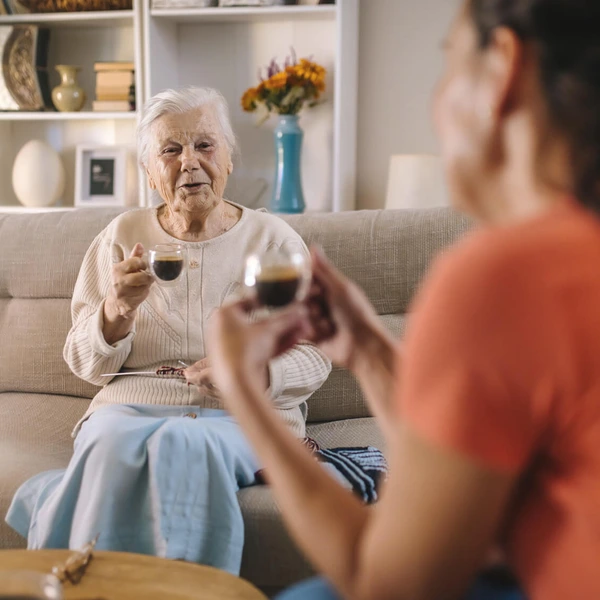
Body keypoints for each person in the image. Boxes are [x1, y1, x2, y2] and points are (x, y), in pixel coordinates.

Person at [206, 0, 600, 598]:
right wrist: (368, 350)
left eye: (448, 66)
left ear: (502, 69)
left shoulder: (503, 277)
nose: (437, 104)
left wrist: (243, 394)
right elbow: (466, 467)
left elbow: (385, 584)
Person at [5, 86, 331, 575]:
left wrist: (249, 373)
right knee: (111, 440)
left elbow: (315, 355)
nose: (190, 163)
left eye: (204, 145)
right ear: (149, 170)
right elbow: (83, 363)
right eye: (171, 150)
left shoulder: (272, 240)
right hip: (128, 407)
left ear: (230, 158)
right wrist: (115, 311)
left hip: (241, 415)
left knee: (184, 444)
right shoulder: (120, 236)